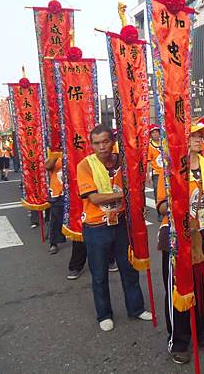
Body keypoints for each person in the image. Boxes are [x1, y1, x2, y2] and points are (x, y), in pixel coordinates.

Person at [157, 118, 204, 364]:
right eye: (194, 136)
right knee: (179, 289)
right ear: (183, 140)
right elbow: (162, 206)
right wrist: (177, 200)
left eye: (202, 136)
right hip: (178, 238)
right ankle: (178, 340)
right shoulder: (170, 167)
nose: (199, 139)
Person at [76, 124, 151, 331]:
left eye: (105, 141)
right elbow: (95, 197)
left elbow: (139, 184)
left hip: (121, 224)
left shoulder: (123, 162)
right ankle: (104, 314)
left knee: (129, 268)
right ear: (91, 145)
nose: (101, 147)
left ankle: (136, 308)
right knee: (99, 274)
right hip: (95, 226)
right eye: (97, 143)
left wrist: (137, 201)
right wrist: (127, 193)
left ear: (112, 141)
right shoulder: (85, 165)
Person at [45, 150, 67, 254]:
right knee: (56, 218)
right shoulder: (54, 152)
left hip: (73, 191)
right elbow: (48, 166)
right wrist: (56, 153)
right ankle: (53, 242)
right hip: (58, 192)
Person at [147, 124, 163, 200]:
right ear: (150, 135)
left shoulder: (164, 143)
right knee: (157, 192)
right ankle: (159, 209)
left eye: (157, 132)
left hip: (166, 173)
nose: (155, 134)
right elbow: (148, 162)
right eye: (153, 132)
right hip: (156, 173)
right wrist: (148, 175)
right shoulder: (150, 146)